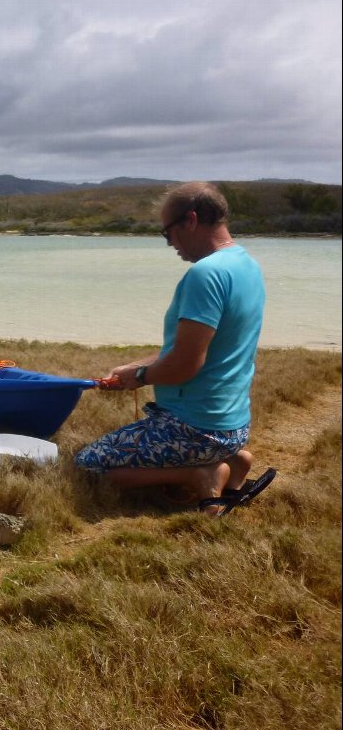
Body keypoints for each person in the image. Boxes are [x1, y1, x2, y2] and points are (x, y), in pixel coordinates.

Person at [75, 181, 274, 515]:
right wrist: (134, 368)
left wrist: (140, 376)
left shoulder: (205, 275)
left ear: (191, 220)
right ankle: (234, 458)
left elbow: (185, 365)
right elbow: (200, 348)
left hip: (195, 429)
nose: (171, 244)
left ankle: (200, 471)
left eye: (167, 233)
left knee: (87, 464)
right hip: (234, 426)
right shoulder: (246, 265)